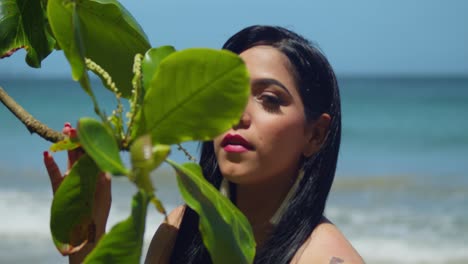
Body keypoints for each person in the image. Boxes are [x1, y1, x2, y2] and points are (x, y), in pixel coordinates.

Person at [45, 25, 364, 264]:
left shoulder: (326, 258)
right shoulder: (180, 229)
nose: (238, 115)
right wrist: (87, 240)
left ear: (316, 135)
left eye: (268, 99)